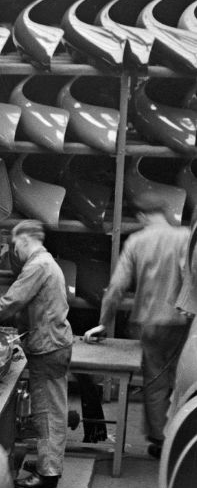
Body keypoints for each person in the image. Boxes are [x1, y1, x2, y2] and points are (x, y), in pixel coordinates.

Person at [0, 219, 73, 488]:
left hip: (48, 346)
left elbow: (8, 303)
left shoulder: (37, 267)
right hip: (54, 343)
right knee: (52, 408)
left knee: (46, 411)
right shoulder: (46, 263)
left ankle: (48, 473)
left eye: (14, 245)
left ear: (24, 240)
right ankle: (50, 462)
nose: (13, 251)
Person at [85, 194, 193, 458]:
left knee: (155, 381)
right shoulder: (184, 237)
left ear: (143, 216)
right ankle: (183, 439)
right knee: (185, 379)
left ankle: (160, 441)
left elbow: (116, 288)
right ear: (163, 212)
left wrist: (103, 323)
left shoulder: (136, 241)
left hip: (150, 323)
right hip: (183, 321)